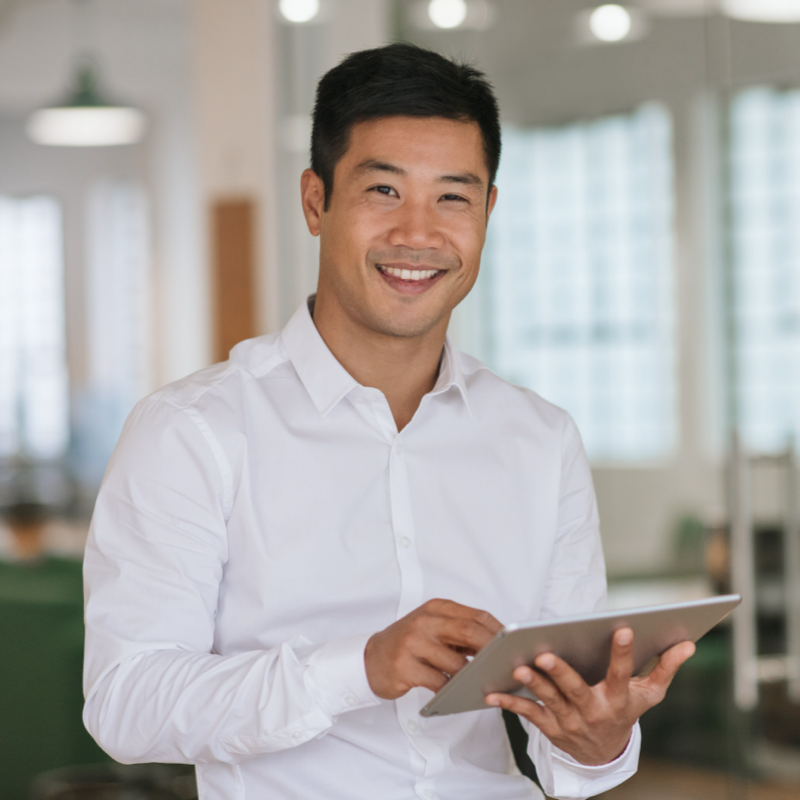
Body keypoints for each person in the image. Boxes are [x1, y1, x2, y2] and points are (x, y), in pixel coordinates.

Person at [83, 43, 694, 800]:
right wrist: (360, 668)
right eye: (383, 191)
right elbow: (125, 702)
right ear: (316, 202)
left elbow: (565, 739)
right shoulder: (192, 431)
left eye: (453, 197)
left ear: (488, 213)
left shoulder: (540, 440)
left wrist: (600, 739)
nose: (419, 233)